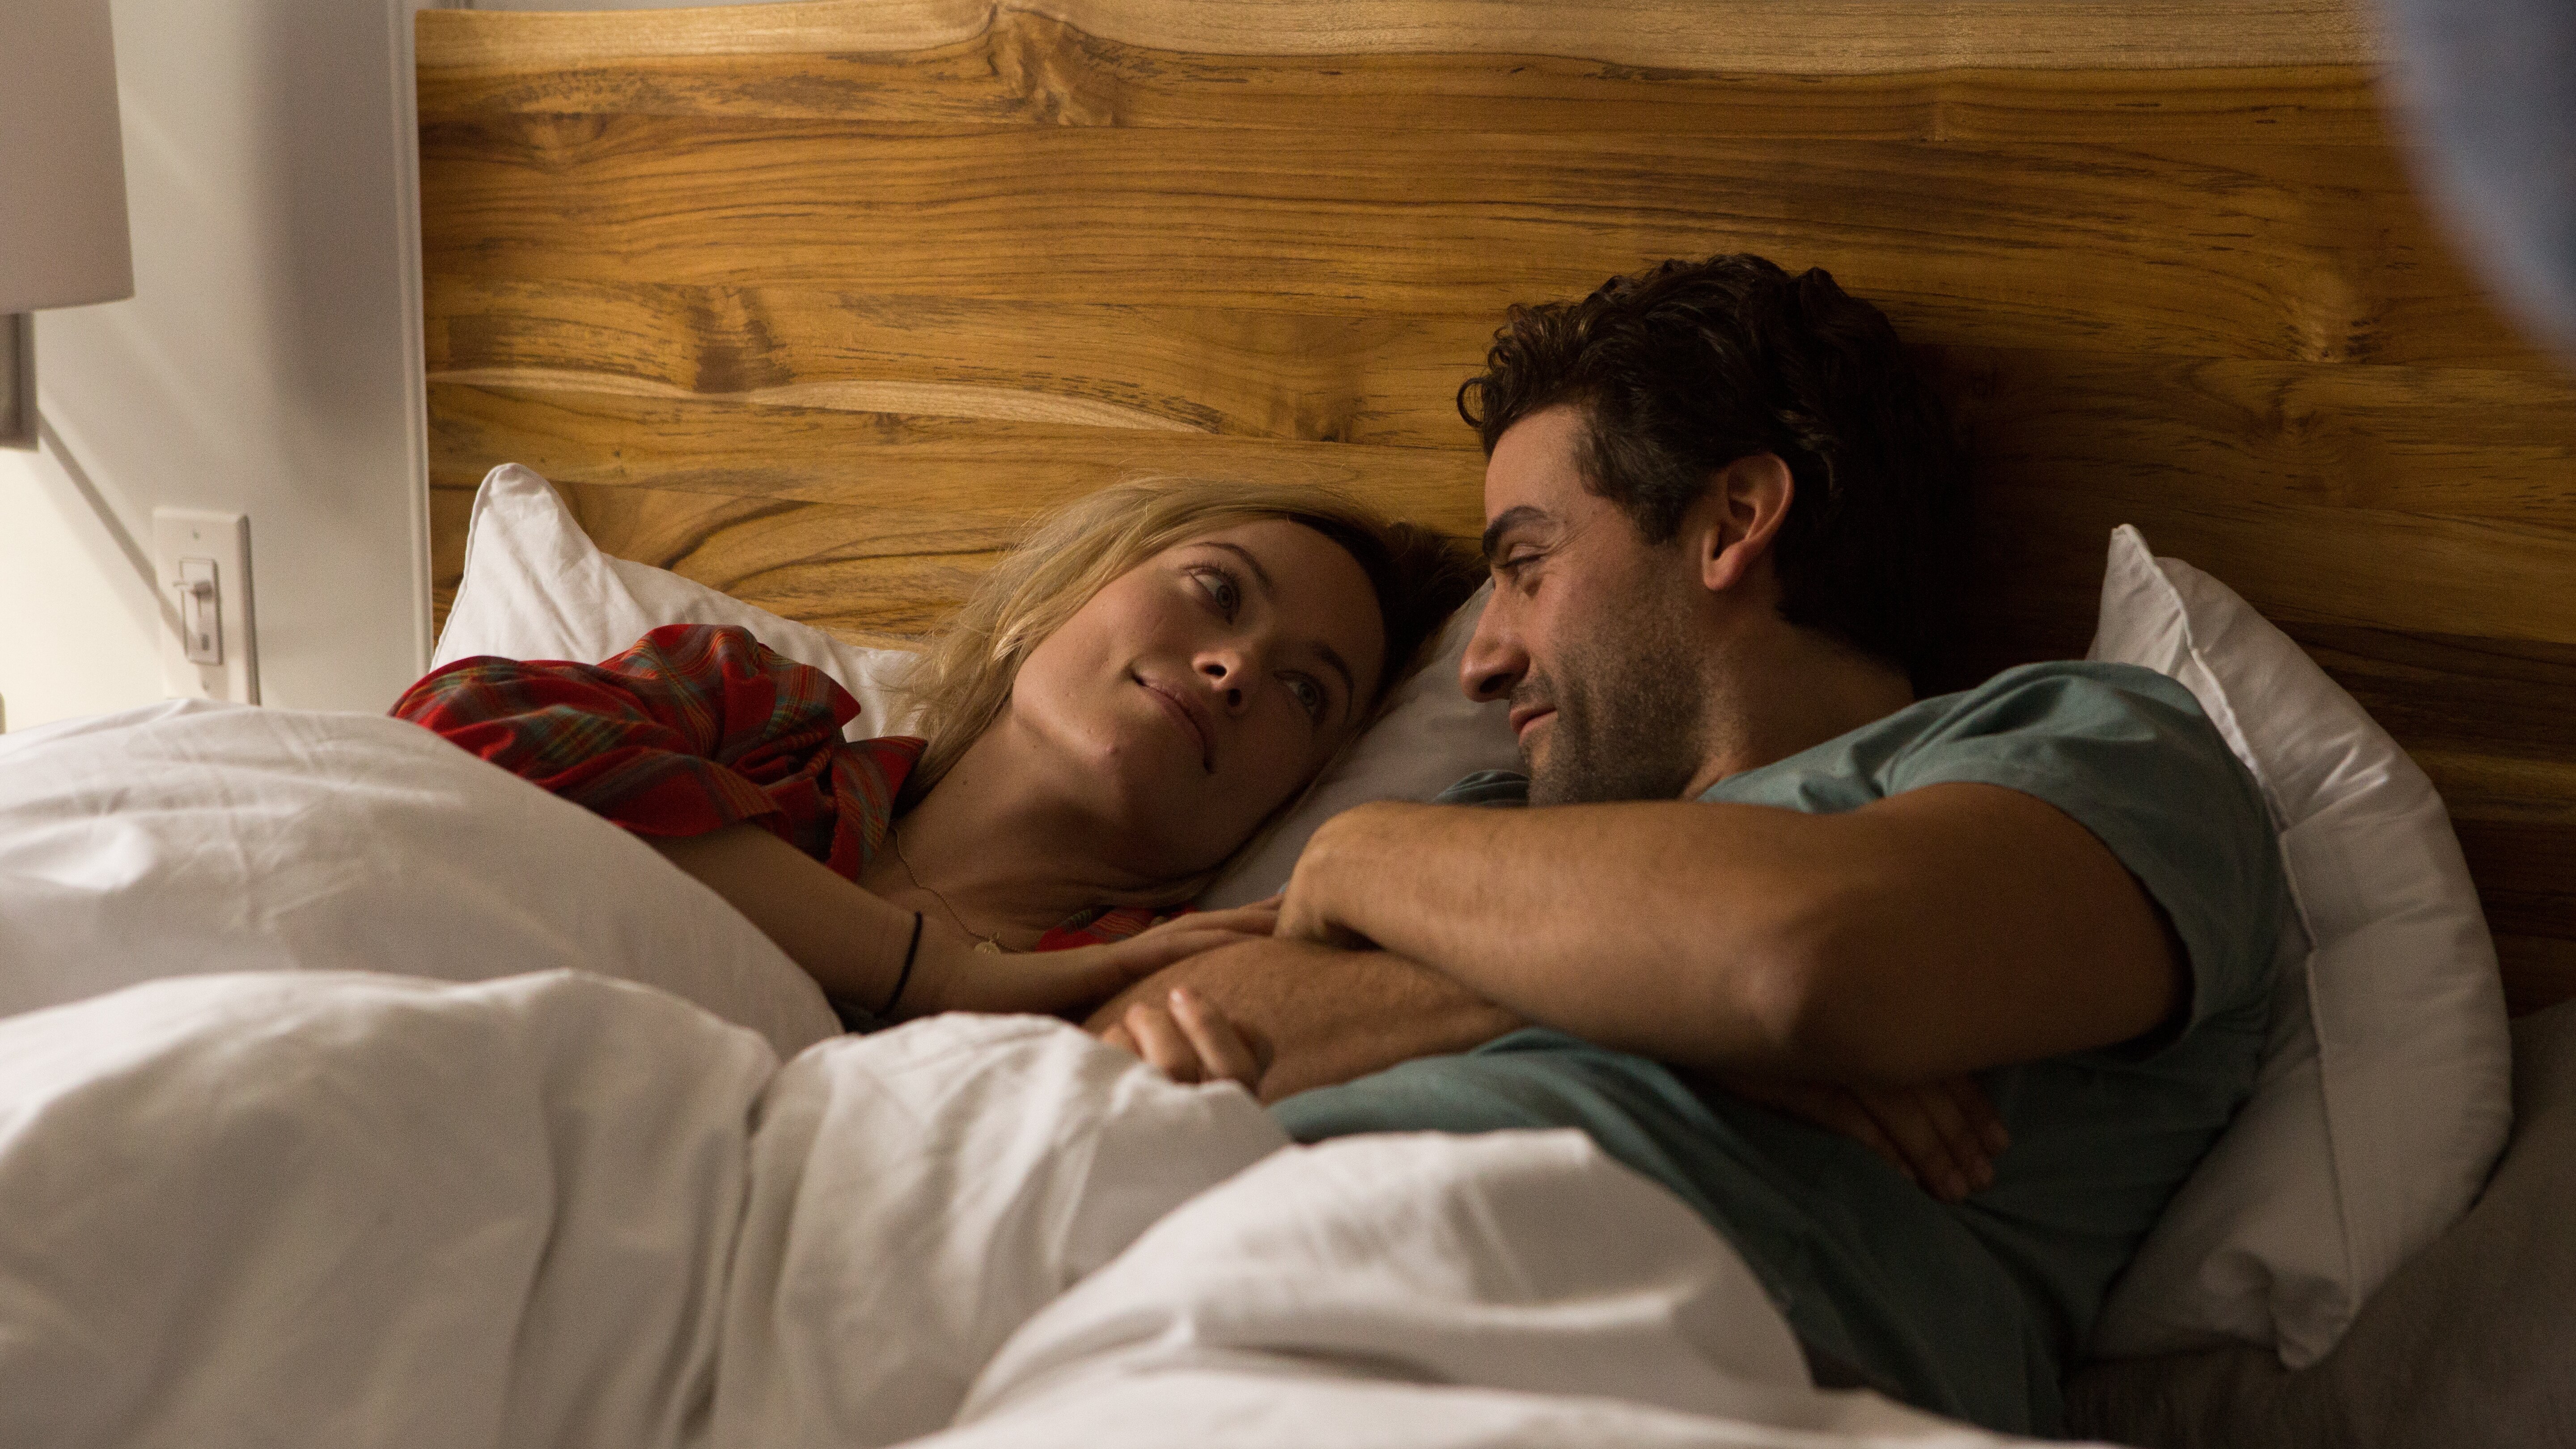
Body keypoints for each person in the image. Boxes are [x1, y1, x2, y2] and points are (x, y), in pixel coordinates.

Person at [1087, 255, 2287, 1436]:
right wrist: (1651, 988)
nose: (1480, 661)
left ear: (1734, 521)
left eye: (1525, 566)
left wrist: (1362, 861)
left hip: (1613, 1374)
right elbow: (1125, 1054)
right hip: (1170, 1324)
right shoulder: (1481, 830)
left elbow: (1804, 960)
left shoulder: (2093, 749)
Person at [394, 479, 1479, 1061]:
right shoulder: (753, 721)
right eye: (1219, 591)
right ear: (1056, 601)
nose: (1235, 667)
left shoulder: (1130, 995)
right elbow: (463, 721)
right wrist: (932, 976)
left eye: (1306, 693)